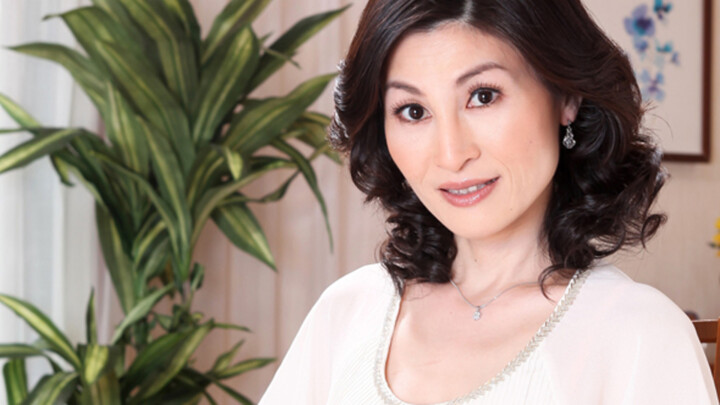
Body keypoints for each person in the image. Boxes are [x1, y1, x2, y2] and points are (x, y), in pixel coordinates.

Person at [259, 0, 717, 403]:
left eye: (483, 96)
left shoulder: (640, 333)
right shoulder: (347, 312)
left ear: (567, 96)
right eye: (413, 111)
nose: (451, 154)